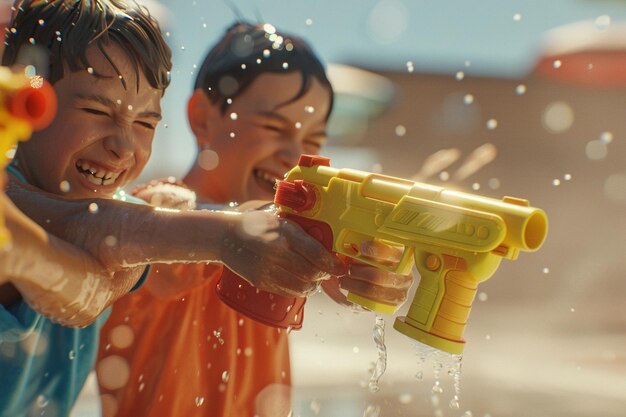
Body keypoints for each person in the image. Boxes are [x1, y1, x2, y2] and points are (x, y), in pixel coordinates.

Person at [0, 3, 345, 416]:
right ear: (31, 105)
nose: (124, 146)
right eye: (274, 127)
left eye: (146, 123)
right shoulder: (151, 215)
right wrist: (226, 236)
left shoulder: (127, 215)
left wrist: (336, 261)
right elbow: (109, 240)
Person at [97, 21, 414, 417]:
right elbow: (157, 224)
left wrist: (343, 265)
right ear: (202, 119)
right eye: (273, 127)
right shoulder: (155, 217)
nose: (296, 156)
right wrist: (244, 229)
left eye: (314, 140)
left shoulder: (283, 238)